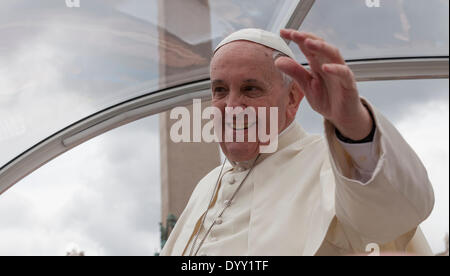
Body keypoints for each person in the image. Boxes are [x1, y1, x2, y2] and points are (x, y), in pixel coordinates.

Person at [161, 28, 434, 256]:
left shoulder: (337, 166)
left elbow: (396, 211)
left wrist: (355, 126)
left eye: (250, 89)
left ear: (292, 98)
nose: (232, 106)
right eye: (220, 90)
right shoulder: (206, 185)